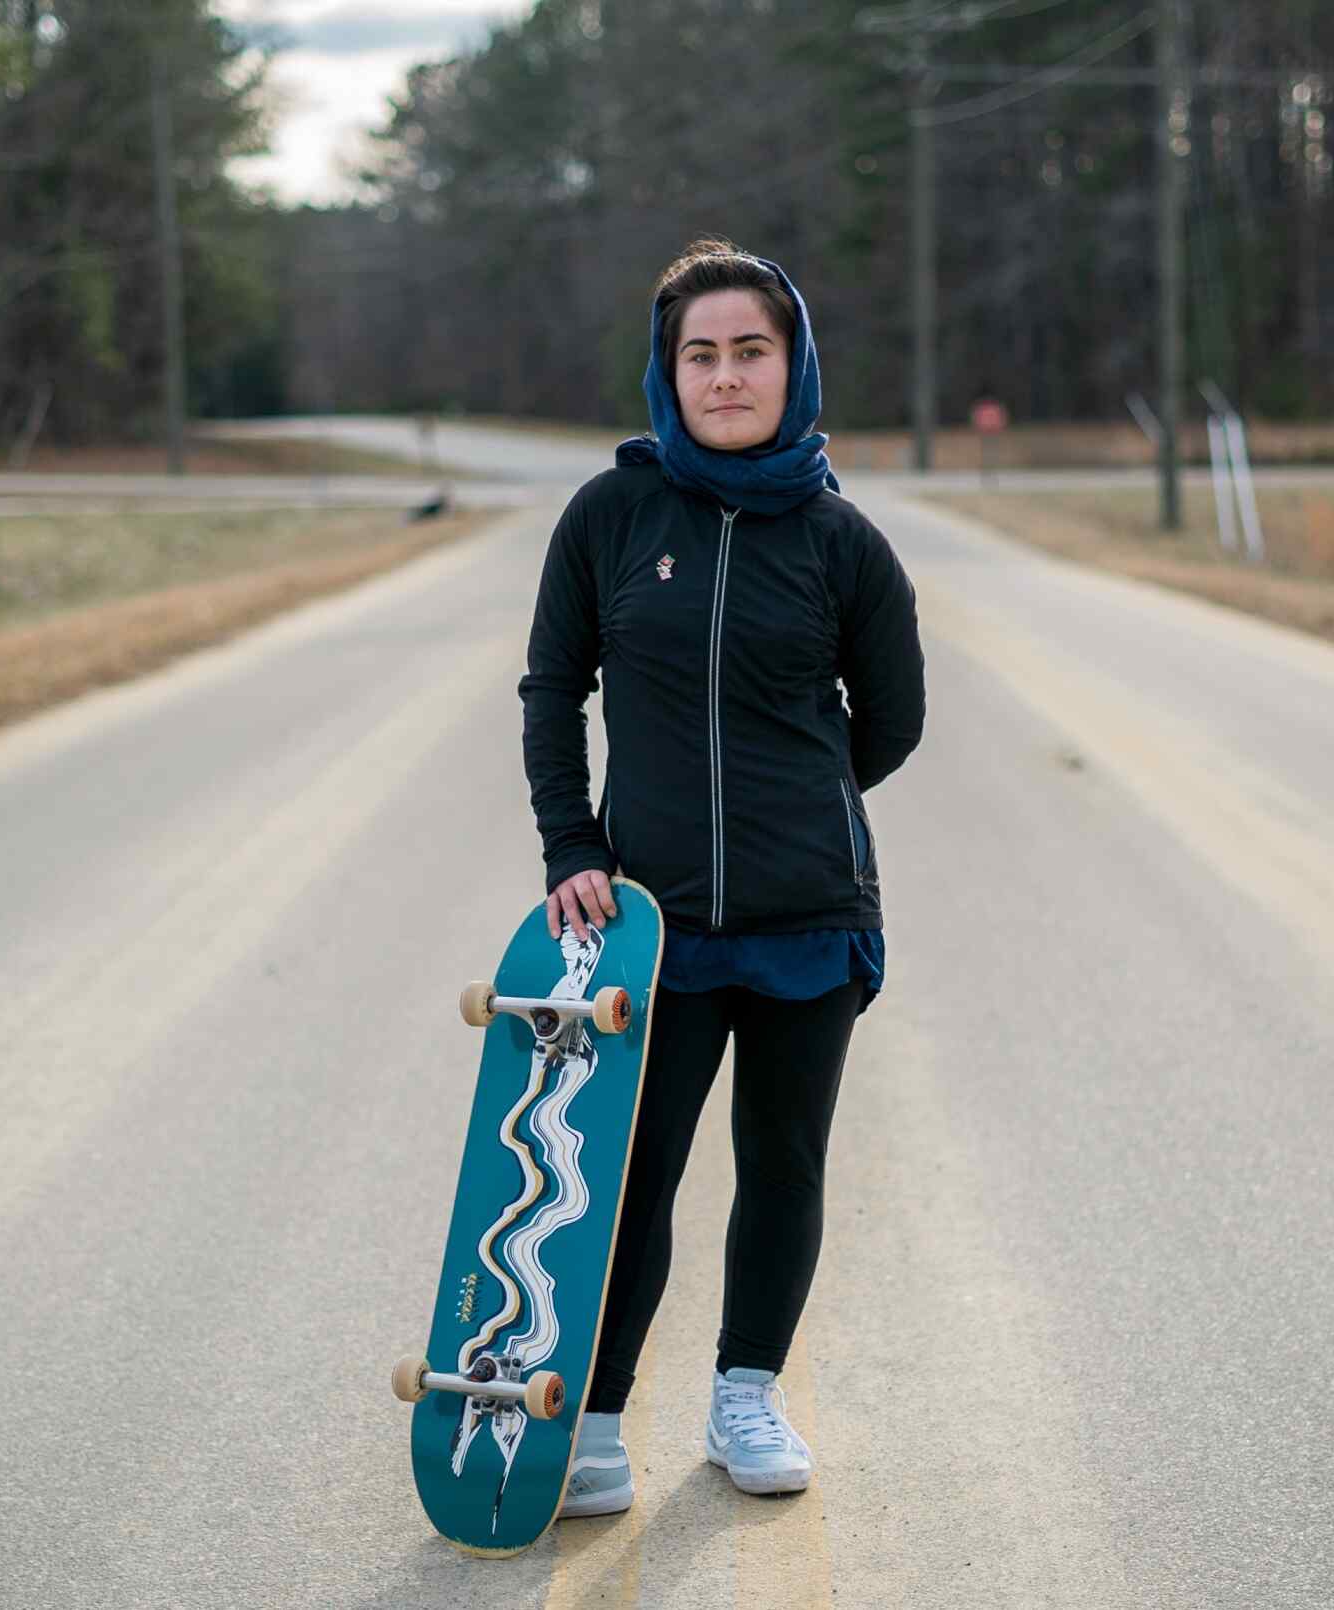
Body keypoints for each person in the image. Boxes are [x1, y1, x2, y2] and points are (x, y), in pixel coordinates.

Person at [517, 239, 926, 1518]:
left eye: (753, 349)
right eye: (702, 352)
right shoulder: (610, 517)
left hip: (810, 919)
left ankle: (747, 1391)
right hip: (652, 928)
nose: (727, 373)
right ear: (667, 370)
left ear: (792, 364)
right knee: (633, 1169)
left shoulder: (841, 541)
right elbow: (551, 690)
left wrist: (792, 805)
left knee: (784, 1161)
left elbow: (893, 723)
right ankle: (593, 1411)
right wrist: (577, 849)